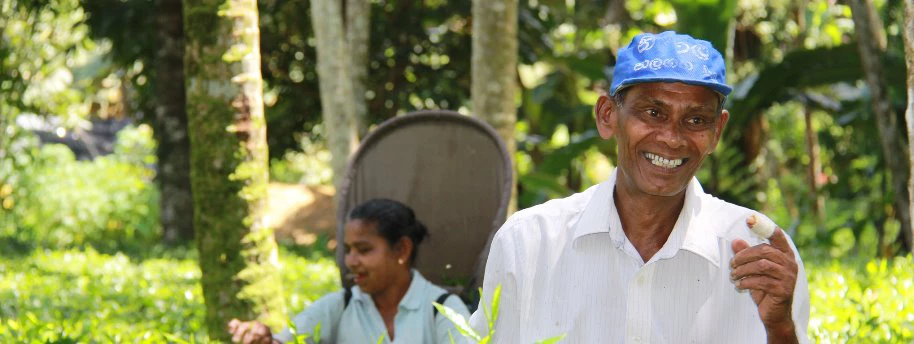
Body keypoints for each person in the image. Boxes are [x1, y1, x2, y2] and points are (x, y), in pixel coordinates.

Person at [469, 31, 810, 343]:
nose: (672, 138)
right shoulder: (529, 243)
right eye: (652, 112)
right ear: (608, 116)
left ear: (717, 131)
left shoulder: (759, 254)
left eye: (695, 120)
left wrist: (780, 328)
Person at [228, 198, 470, 343]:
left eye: (364, 250)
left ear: (402, 250)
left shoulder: (444, 310)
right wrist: (264, 339)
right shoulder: (340, 306)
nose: (351, 261)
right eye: (348, 250)